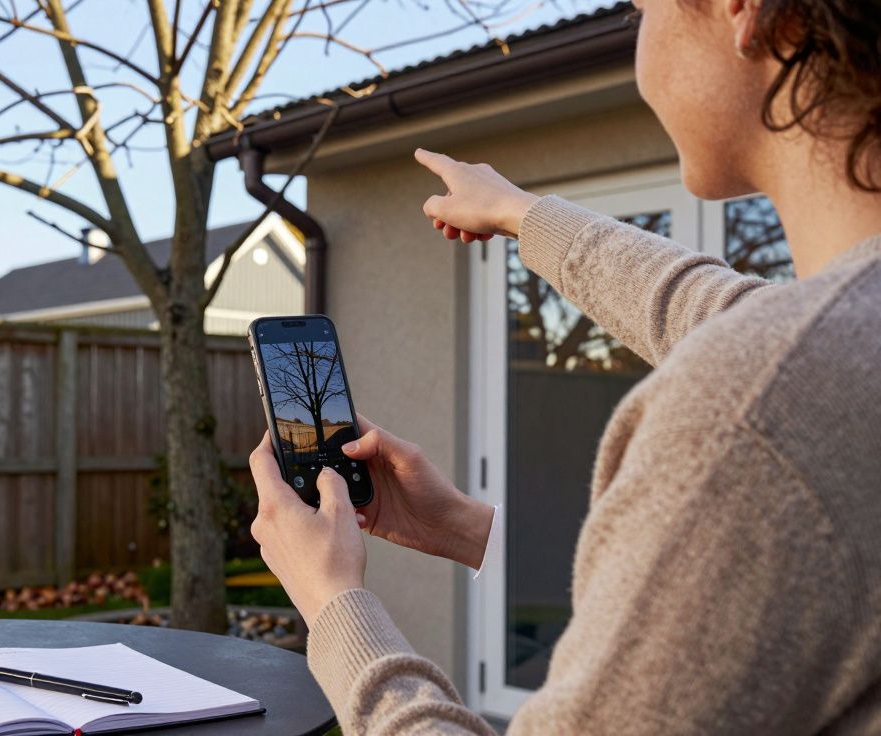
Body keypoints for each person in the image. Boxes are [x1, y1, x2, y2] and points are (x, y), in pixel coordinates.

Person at [248, 0, 881, 733]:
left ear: (740, 10)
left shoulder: (754, 410)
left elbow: (756, 351)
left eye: (642, 9)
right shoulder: (837, 351)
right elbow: (720, 311)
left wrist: (334, 606)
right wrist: (465, 528)